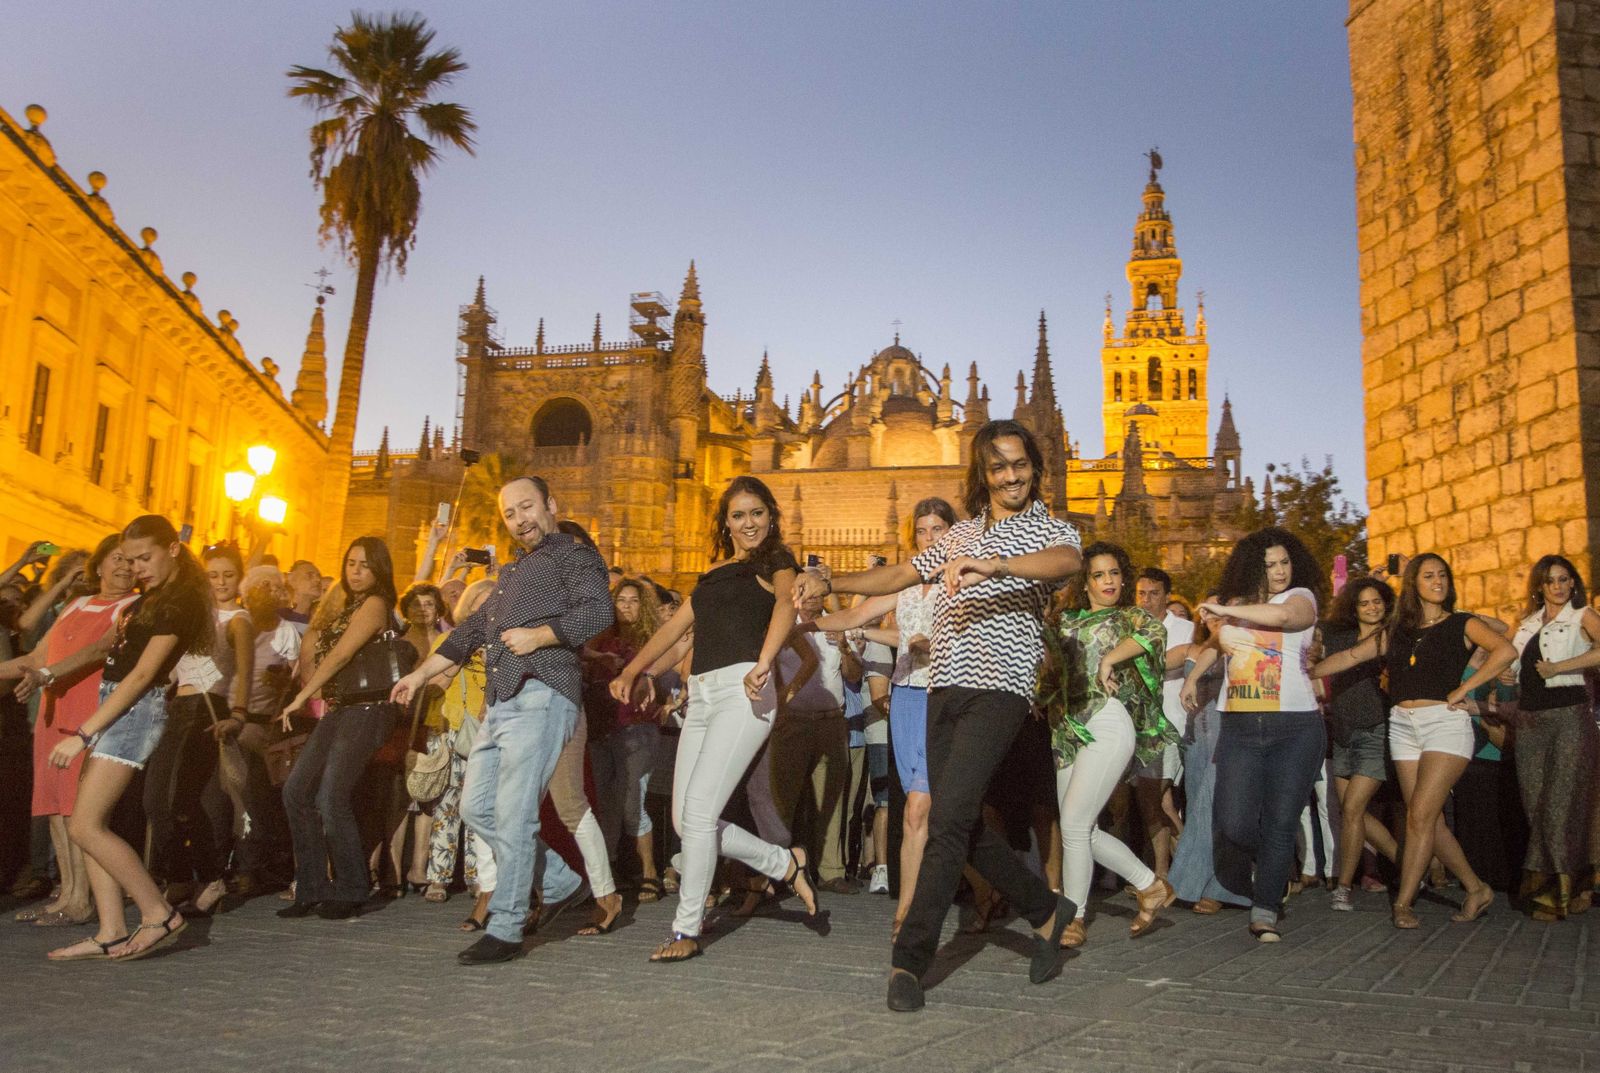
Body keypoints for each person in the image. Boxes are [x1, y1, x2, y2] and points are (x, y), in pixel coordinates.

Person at [793, 419, 1081, 1012]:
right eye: (999, 466)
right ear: (984, 473)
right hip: (942, 688)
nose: (1011, 475)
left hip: (1000, 687)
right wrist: (830, 580)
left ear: (1034, 467)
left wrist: (997, 565)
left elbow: (1066, 561)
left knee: (945, 822)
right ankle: (1047, 910)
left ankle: (910, 959)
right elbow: (901, 575)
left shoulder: (1047, 528)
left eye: (1020, 464)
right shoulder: (961, 534)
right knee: (961, 823)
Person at [392, 476, 615, 965]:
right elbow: (469, 630)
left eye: (526, 507)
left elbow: (599, 611)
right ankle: (560, 882)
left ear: (550, 504)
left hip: (542, 693)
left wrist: (541, 636)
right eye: (510, 514)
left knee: (515, 813)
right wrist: (420, 674)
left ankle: (507, 926)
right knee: (476, 809)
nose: (519, 520)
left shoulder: (574, 555)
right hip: (500, 703)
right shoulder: (514, 572)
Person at [608, 476, 820, 963]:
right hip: (701, 697)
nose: (749, 523)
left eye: (757, 513)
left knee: (701, 813)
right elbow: (677, 632)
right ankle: (783, 862)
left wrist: (765, 661)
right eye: (738, 515)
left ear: (771, 516)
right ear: (725, 522)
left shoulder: (777, 562)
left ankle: (686, 928)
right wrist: (636, 670)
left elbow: (785, 607)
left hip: (745, 690)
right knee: (686, 821)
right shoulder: (713, 573)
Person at [41, 515, 213, 960]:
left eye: (144, 557)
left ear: (172, 549)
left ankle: (158, 913)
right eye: (131, 559)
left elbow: (142, 675)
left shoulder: (181, 600)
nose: (137, 568)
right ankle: (112, 930)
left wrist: (84, 733)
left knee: (84, 825)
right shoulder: (156, 595)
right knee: (90, 824)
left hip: (134, 711)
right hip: (117, 705)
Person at [1312, 553, 1514, 928]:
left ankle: (1403, 903)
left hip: (1445, 724)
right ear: (1414, 584)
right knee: (1428, 821)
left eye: (1442, 575)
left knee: (1419, 816)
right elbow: (1350, 656)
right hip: (1403, 726)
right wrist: (1303, 673)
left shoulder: (1462, 623)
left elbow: (1506, 649)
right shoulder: (1397, 631)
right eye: (1428, 575)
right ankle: (1476, 888)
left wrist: (1465, 688)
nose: (1438, 581)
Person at [809, 498, 954, 935]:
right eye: (922, 531)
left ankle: (909, 912)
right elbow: (857, 614)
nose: (930, 538)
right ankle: (915, 904)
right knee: (913, 808)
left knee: (922, 806)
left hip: (941, 695)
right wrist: (800, 624)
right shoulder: (905, 587)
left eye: (938, 529)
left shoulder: (961, 583)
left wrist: (936, 647)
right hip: (904, 693)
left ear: (953, 532)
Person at [1182, 527, 1326, 942]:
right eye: (1269, 566)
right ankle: (1273, 873)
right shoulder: (1238, 606)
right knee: (1233, 823)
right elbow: (1215, 642)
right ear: (1251, 569)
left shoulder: (1300, 598)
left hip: (1295, 727)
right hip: (1241, 728)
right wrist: (1193, 677)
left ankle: (1265, 908)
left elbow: (1283, 618)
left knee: (1280, 822)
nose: (1279, 571)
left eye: (1284, 562)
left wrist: (1219, 608)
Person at [1041, 542, 1176, 947]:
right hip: (1065, 732)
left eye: (1114, 573)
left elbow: (1155, 633)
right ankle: (1149, 886)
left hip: (1108, 721)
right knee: (1080, 829)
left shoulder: (1130, 616)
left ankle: (1076, 916)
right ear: (1085, 583)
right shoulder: (1064, 620)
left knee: (1075, 824)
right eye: (1098, 575)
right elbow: (1049, 670)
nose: (1108, 581)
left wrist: (1109, 659)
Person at [0, 534, 137, 927]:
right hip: (51, 709)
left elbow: (99, 651)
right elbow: (34, 657)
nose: (125, 567)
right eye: (117, 558)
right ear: (100, 564)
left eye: (131, 561)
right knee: (55, 808)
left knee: (78, 807)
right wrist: (33, 673)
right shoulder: (76, 604)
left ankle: (81, 900)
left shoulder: (132, 606)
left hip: (87, 711)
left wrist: (45, 674)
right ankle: (68, 893)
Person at [277, 537, 405, 921]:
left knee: (331, 796)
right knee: (296, 790)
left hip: (368, 708)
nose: (356, 571)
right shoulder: (347, 605)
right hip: (341, 708)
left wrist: (303, 697)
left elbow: (342, 654)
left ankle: (352, 887)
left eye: (365, 564)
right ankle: (312, 886)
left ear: (379, 570)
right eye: (351, 563)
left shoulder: (376, 604)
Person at [145, 543, 256, 917]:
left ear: (239, 578)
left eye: (229, 575)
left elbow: (245, 672)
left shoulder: (238, 619)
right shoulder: (194, 614)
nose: (221, 582)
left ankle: (209, 878)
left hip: (207, 709)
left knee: (180, 800)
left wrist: (238, 716)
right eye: (213, 575)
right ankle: (181, 876)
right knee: (157, 800)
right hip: (177, 709)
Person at [1508, 555, 1600, 920]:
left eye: (1564, 579)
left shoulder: (1582, 615)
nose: (1558, 586)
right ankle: (1578, 884)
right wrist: (1505, 675)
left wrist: (1560, 667)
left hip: (1569, 718)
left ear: (1573, 583)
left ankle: (1553, 896)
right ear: (1540, 586)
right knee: (1535, 806)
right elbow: (1512, 662)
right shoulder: (1527, 624)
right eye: (1550, 580)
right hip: (1529, 721)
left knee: (1560, 807)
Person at [585, 578, 669, 900]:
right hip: (601, 727)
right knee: (604, 804)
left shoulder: (653, 640)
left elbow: (664, 681)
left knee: (633, 800)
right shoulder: (599, 638)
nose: (627, 607)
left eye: (634, 601)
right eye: (621, 600)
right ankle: (606, 873)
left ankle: (649, 871)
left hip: (637, 727)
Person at [1319, 577, 1400, 911]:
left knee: (1352, 809)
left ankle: (1343, 888)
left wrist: (1309, 671)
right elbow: (1313, 636)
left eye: (1377, 601)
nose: (1371, 607)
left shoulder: (1393, 637)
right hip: (1342, 732)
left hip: (1375, 731)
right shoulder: (1339, 636)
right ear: (1354, 607)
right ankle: (1410, 863)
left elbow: (1346, 661)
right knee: (1354, 813)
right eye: (1364, 603)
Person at [1169, 594, 1249, 913]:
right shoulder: (1190, 649)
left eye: (1220, 609)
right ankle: (1198, 884)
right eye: (1208, 611)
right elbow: (1148, 660)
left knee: (1214, 807)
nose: (1214, 616)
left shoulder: (1239, 643)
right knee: (1197, 808)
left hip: (1226, 728)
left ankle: (1213, 887)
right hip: (1195, 737)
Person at [421, 579, 495, 906]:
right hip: (451, 726)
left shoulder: (502, 642)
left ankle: (478, 876)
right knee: (447, 805)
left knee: (479, 805)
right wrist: (459, 661)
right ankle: (438, 876)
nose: (488, 608)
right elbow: (434, 682)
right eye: (482, 601)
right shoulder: (449, 639)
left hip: (486, 730)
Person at [1133, 567, 1190, 880]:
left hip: (1169, 724)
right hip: (1138, 725)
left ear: (1167, 596)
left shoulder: (1184, 629)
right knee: (1160, 803)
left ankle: (1179, 872)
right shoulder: (1130, 626)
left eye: (1154, 594)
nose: (1146, 600)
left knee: (1153, 799)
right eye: (1141, 593)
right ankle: (1169, 876)